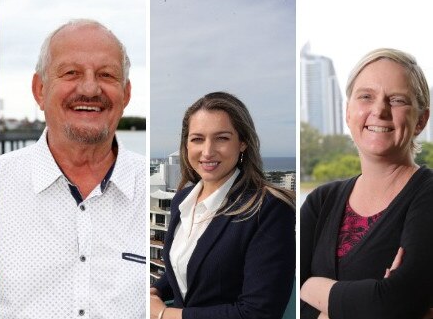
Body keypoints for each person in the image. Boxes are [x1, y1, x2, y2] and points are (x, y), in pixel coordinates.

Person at [0, 19, 145, 318]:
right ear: (40, 90)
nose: (90, 88)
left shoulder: (157, 194)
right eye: (71, 73)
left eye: (106, 75)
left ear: (126, 94)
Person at [300, 48, 433, 319]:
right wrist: (368, 301)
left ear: (421, 120)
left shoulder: (427, 195)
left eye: (396, 100)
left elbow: (394, 302)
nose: (379, 110)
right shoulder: (320, 201)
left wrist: (312, 287)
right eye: (366, 97)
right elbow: (286, 290)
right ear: (348, 112)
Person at [150, 92, 295, 319]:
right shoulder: (182, 199)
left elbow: (259, 312)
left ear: (243, 142)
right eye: (197, 139)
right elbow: (187, 263)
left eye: (222, 138)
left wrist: (164, 314)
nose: (207, 151)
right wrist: (155, 290)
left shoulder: (268, 208)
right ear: (186, 144)